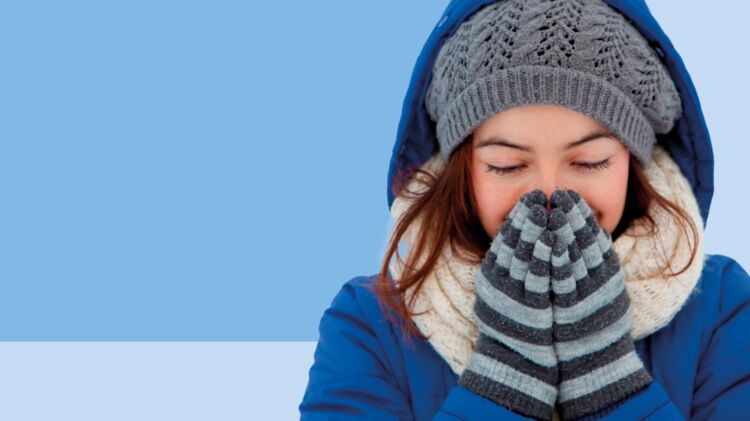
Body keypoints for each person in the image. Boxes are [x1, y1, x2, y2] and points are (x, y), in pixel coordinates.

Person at [299, 0, 750, 419]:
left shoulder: (721, 308)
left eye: (589, 161)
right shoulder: (371, 327)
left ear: (632, 162)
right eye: (507, 165)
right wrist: (504, 381)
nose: (550, 194)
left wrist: (609, 381)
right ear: (462, 171)